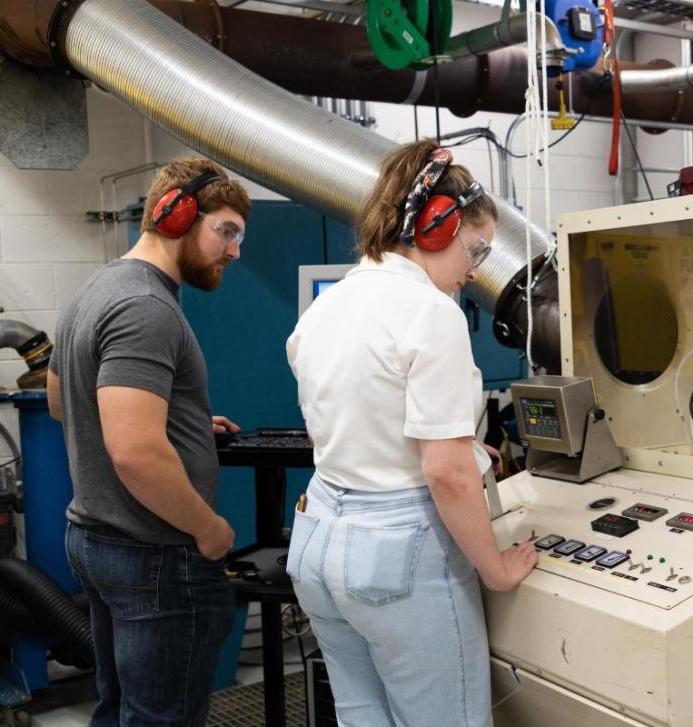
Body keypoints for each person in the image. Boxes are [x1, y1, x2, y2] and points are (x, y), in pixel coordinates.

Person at [285, 139, 537, 727]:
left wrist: (464, 448)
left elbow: (364, 420)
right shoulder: (430, 312)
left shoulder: (327, 306)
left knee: (362, 716)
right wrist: (496, 569)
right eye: (475, 249)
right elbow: (444, 474)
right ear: (435, 228)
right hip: (397, 554)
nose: (475, 269)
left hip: (319, 541)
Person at [47, 158, 251, 726]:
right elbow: (134, 452)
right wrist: (209, 531)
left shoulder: (97, 286)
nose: (234, 251)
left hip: (96, 539)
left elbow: (64, 403)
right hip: (153, 554)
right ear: (176, 216)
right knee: (161, 718)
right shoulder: (146, 307)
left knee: (122, 710)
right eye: (226, 231)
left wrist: (172, 423)